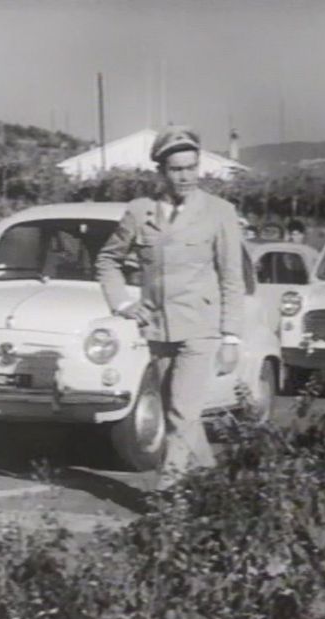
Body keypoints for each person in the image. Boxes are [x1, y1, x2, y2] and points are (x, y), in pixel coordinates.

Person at [96, 124, 244, 491]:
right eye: (177, 169)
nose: (186, 176)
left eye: (192, 167)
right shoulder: (140, 212)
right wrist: (125, 303)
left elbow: (231, 277)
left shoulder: (219, 212)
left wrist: (231, 337)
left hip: (200, 327)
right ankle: (217, 486)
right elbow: (107, 260)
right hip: (158, 328)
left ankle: (167, 500)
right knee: (179, 415)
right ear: (161, 171)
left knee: (182, 411)